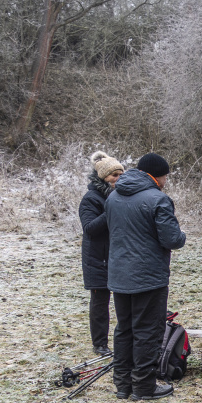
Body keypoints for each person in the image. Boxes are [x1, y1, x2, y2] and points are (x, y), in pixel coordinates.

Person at [105, 153, 186, 401]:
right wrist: (181, 234)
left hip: (119, 274)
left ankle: (122, 384)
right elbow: (172, 239)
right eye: (164, 176)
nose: (165, 181)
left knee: (124, 329)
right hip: (148, 276)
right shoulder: (158, 199)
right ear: (156, 175)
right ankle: (144, 386)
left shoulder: (113, 196)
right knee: (148, 331)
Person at [79, 151, 124, 357]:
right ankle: (100, 344)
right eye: (114, 175)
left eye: (121, 175)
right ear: (103, 177)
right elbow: (89, 228)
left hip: (118, 257)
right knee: (100, 304)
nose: (118, 179)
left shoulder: (121, 197)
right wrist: (110, 211)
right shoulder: (90, 199)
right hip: (97, 259)